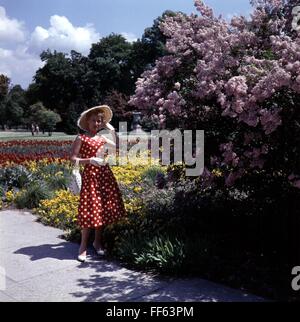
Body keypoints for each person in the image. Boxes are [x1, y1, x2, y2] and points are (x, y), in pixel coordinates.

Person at [70, 105, 126, 262]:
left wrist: (113, 130)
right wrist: (90, 160)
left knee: (101, 209)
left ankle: (97, 242)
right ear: (87, 121)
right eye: (93, 120)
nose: (96, 124)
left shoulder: (103, 138)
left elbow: (120, 147)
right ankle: (82, 247)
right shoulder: (81, 138)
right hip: (90, 178)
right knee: (90, 210)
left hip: (104, 176)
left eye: (99, 121)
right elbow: (73, 159)